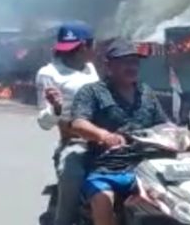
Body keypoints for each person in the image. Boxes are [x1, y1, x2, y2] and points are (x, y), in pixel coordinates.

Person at [67, 38, 172, 225]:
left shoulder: (146, 92)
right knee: (102, 199)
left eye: (135, 62)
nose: (132, 67)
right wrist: (104, 135)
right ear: (109, 66)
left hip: (145, 168)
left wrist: (185, 138)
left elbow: (163, 125)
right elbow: (78, 123)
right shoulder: (92, 92)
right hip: (107, 168)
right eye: (125, 62)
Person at [35, 21, 99, 225]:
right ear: (86, 47)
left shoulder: (90, 69)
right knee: (72, 175)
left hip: (105, 138)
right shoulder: (49, 73)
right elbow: (44, 122)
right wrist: (56, 108)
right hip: (75, 143)